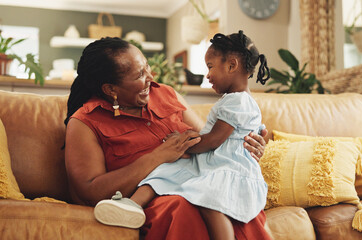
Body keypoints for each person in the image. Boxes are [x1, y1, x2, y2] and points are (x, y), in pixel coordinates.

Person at [64, 34, 271, 240]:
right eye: (139, 75)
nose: (151, 78)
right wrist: (158, 156)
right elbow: (89, 192)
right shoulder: (85, 122)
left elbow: (208, 140)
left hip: (197, 181)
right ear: (111, 89)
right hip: (158, 200)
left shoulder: (167, 94)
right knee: (184, 205)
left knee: (233, 199)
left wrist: (246, 145)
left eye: (146, 68)